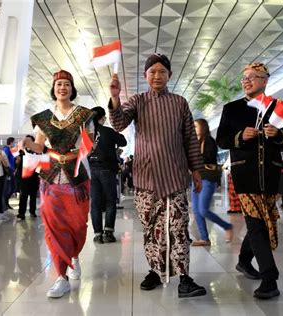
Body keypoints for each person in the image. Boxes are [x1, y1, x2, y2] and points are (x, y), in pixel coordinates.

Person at [108, 53, 206, 298]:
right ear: (145, 76)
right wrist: (115, 97)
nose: (157, 76)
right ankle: (155, 270)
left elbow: (190, 140)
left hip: (174, 176)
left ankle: (184, 277)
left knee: (178, 228)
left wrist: (196, 170)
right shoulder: (137, 101)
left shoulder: (180, 102)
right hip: (146, 179)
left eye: (162, 71)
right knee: (151, 229)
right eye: (152, 72)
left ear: (169, 75)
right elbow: (118, 123)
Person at [216, 62, 283, 299]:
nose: (246, 81)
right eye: (244, 77)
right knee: (257, 224)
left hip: (270, 173)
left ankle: (244, 260)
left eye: (252, 77)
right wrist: (239, 136)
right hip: (244, 174)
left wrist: (278, 135)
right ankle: (270, 278)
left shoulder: (277, 109)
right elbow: (222, 140)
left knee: (264, 221)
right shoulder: (232, 109)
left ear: (265, 80)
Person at [21, 70, 94, 299]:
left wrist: (86, 145)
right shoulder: (43, 117)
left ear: (72, 89)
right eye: (58, 84)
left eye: (67, 84)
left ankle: (74, 255)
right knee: (53, 227)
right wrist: (28, 144)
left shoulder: (84, 115)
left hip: (77, 177)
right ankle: (61, 277)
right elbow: (40, 147)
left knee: (78, 226)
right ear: (53, 89)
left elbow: (89, 144)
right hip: (50, 177)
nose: (62, 88)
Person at [191, 119, 232, 246]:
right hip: (196, 180)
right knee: (197, 211)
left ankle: (227, 226)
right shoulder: (195, 142)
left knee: (203, 210)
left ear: (202, 127)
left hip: (207, 179)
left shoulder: (208, 140)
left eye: (196, 126)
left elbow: (209, 158)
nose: (193, 128)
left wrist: (193, 158)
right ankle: (205, 238)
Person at [89, 106, 127, 244]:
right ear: (102, 118)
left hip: (91, 170)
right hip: (107, 169)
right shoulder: (107, 131)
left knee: (95, 203)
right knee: (110, 201)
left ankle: (98, 234)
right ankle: (108, 233)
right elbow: (123, 141)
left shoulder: (87, 133)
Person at [15, 135, 39, 220]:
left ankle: (32, 211)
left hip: (34, 177)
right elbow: (17, 165)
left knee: (33, 196)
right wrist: (17, 162)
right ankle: (21, 213)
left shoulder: (37, 152)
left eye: (30, 141)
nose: (28, 142)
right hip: (23, 178)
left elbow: (41, 165)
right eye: (26, 141)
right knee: (23, 196)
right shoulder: (21, 152)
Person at [3, 137, 16, 209]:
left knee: (12, 188)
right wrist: (7, 170)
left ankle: (6, 203)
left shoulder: (10, 150)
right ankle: (5, 204)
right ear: (11, 142)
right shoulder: (6, 149)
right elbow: (4, 159)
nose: (14, 144)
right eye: (14, 142)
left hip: (11, 171)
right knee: (9, 188)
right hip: (8, 171)